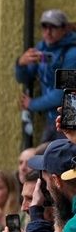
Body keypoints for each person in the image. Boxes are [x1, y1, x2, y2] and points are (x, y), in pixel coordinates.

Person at [16, 9, 76, 141]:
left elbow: (63, 94)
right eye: (44, 27)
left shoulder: (72, 53)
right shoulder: (41, 48)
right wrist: (21, 64)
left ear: (64, 29)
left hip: (70, 123)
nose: (48, 32)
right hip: (51, 120)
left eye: (53, 27)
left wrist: (33, 104)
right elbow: (24, 78)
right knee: (44, 159)